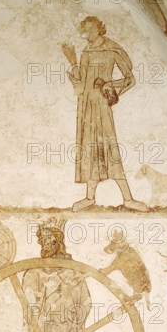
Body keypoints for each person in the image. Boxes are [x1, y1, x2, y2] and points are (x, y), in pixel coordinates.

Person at [62, 16, 147, 212]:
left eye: (91, 29)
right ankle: (89, 197)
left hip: (101, 104)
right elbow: (81, 87)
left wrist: (111, 88)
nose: (87, 34)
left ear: (100, 29)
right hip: (86, 106)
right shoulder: (85, 52)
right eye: (85, 31)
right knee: (90, 149)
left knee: (110, 148)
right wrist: (73, 63)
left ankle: (128, 198)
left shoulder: (111, 49)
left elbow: (129, 79)